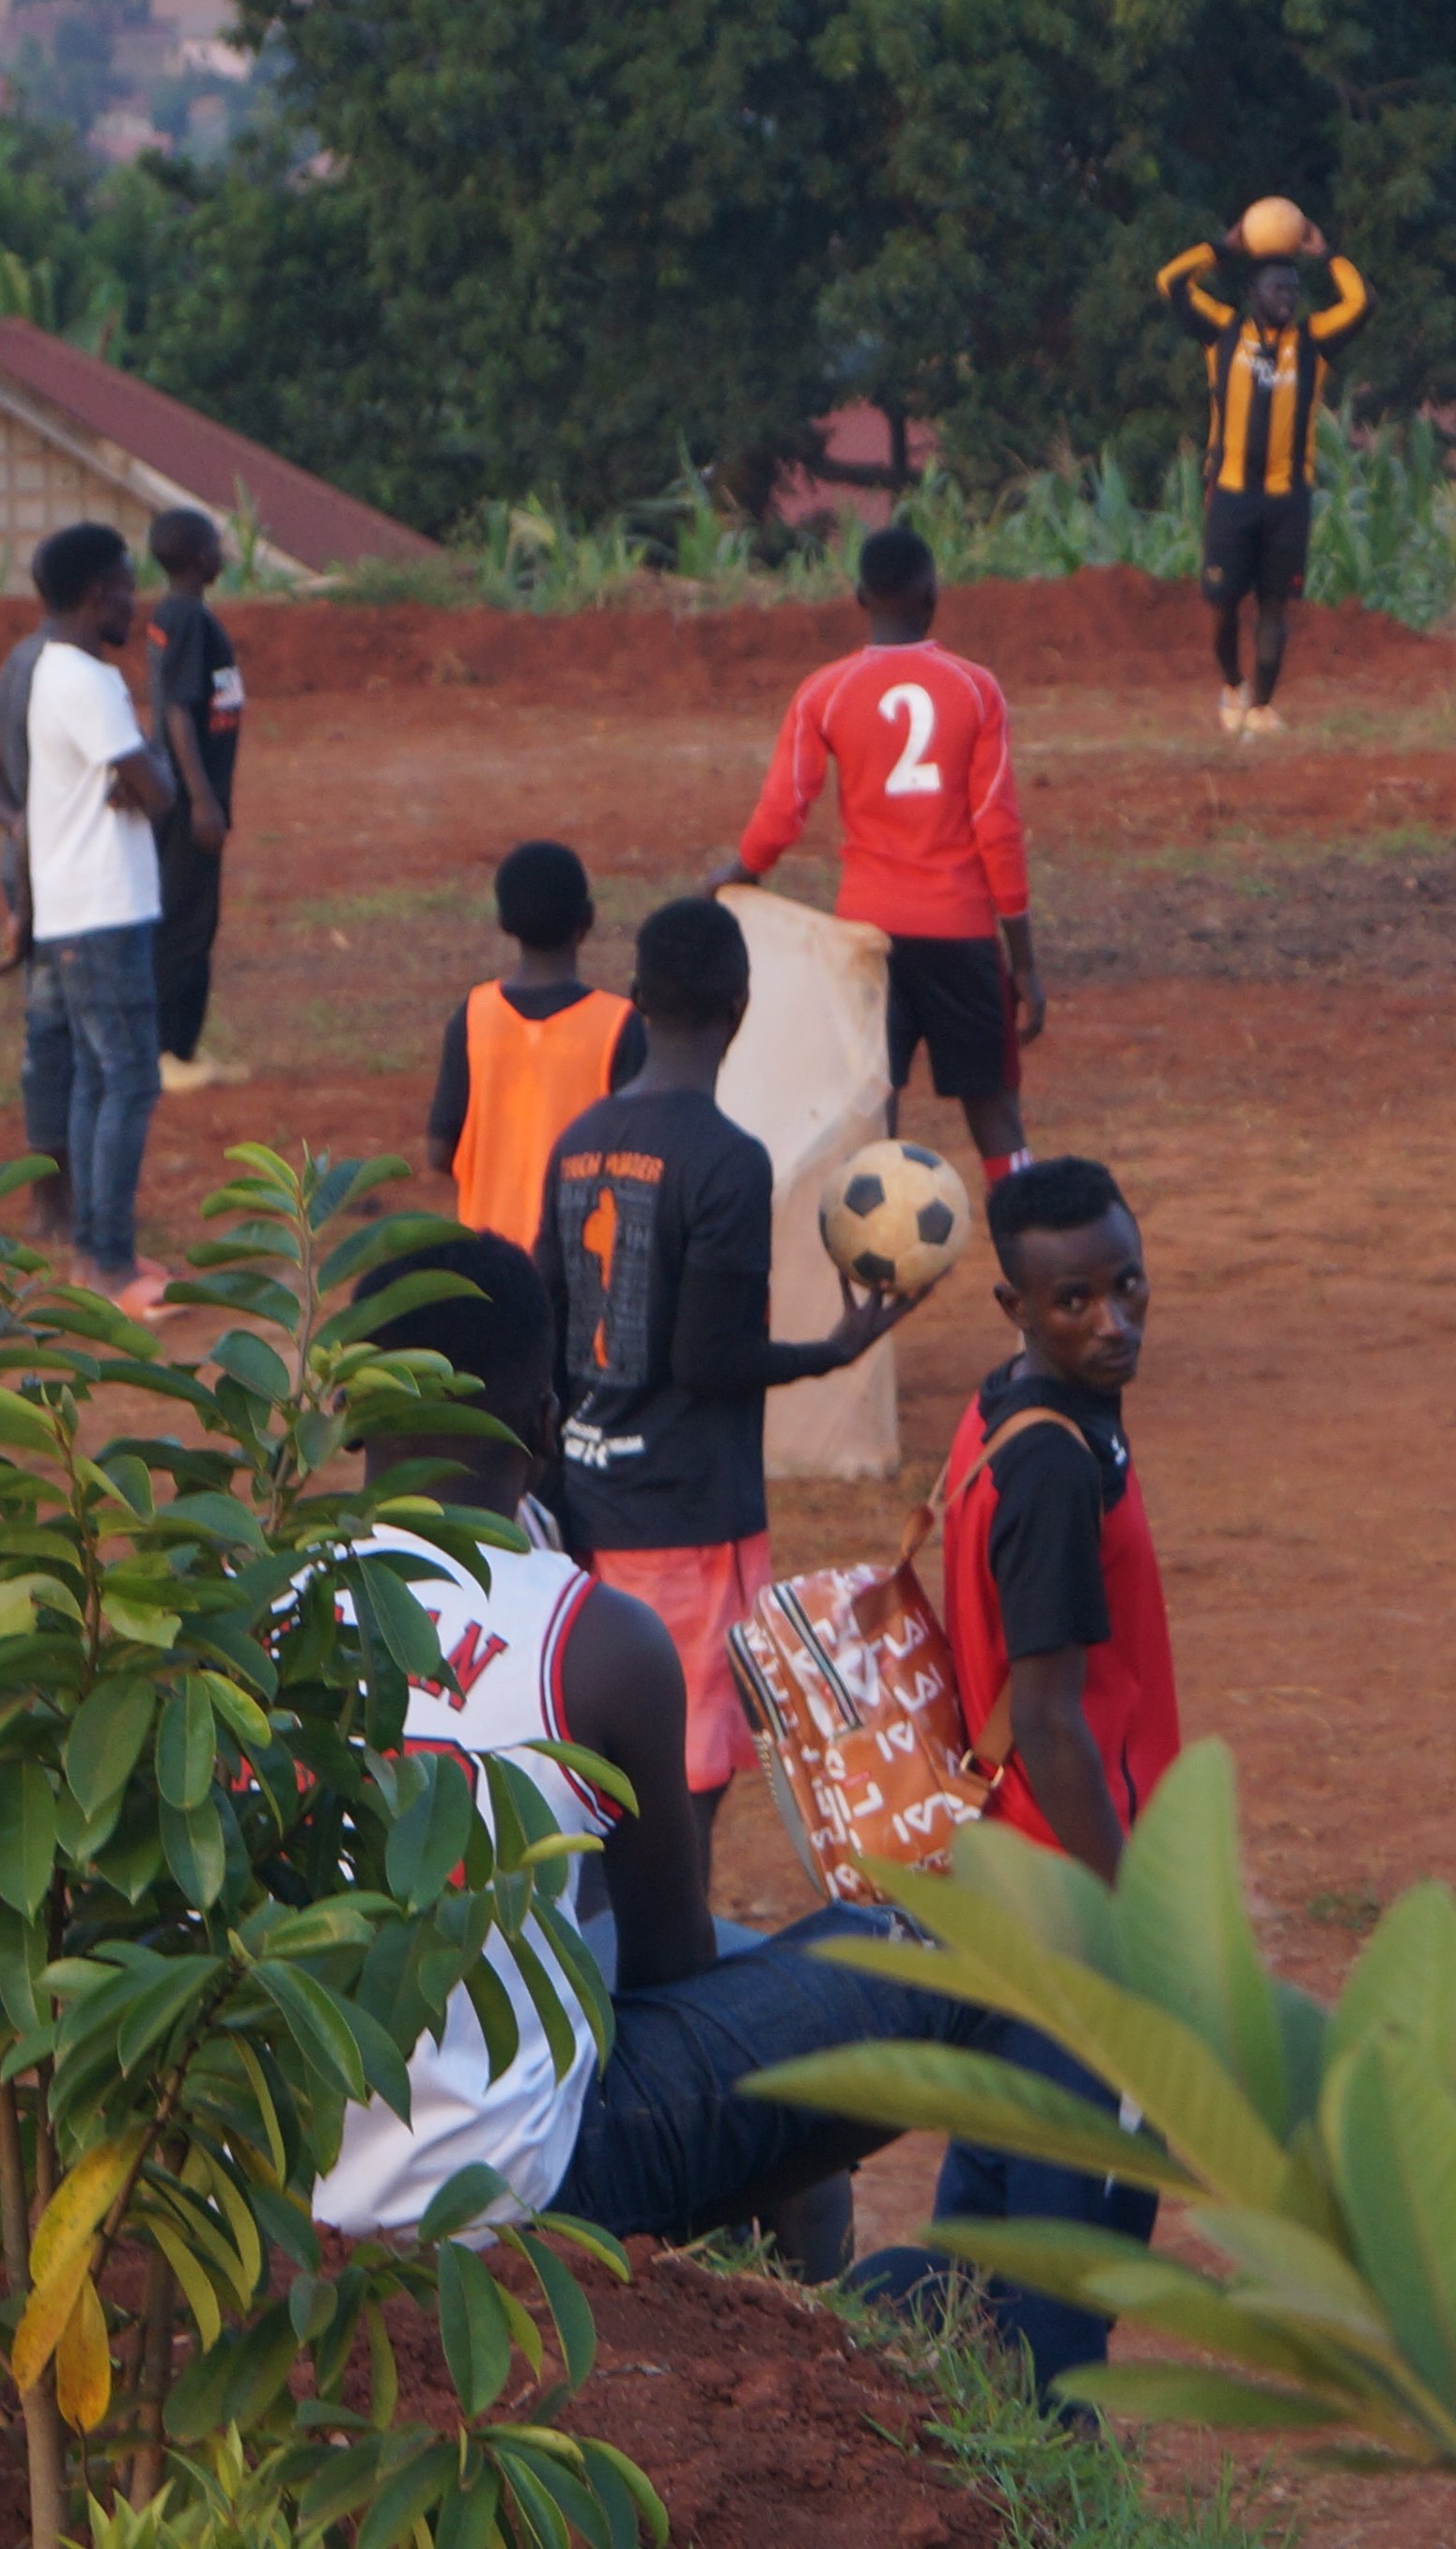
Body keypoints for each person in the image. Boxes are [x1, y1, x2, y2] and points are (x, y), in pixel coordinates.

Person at [311, 1233, 1006, 2253]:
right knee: (949, 1948)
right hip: (515, 2196)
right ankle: (826, 2314)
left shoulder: (255, 1615)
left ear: (350, 1417)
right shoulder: (593, 1640)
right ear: (545, 1423)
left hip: (293, 2196)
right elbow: (668, 1962)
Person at [845, 1156, 1176, 2393]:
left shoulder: (1007, 1410)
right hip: (1064, 1918)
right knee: (1063, 2310)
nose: (1115, 1323)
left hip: (1002, 1889)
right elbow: (1049, 1719)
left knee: (980, 2250)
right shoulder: (1051, 1463)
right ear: (1015, 1310)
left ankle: (824, 2345)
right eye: (1075, 1302)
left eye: (1129, 1288)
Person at [532, 897, 912, 1831]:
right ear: (739, 1007)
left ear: (634, 1001)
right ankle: (667, 1964)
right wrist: (830, 1352)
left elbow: (549, 1320)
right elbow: (707, 1360)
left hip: (589, 1512)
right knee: (683, 1786)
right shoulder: (727, 1161)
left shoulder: (578, 1142)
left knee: (599, 1770)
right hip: (689, 1515)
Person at [701, 526, 1043, 1173]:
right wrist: (1022, 960)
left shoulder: (822, 693)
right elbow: (996, 827)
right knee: (995, 1111)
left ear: (859, 596)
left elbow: (784, 811)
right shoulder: (975, 689)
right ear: (932, 593)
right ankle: (1029, 1264)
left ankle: (872, 1274)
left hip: (864, 935)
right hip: (960, 932)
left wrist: (743, 869)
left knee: (871, 1112)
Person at [20, 521, 179, 1316]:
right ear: (94, 596)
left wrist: (144, 771)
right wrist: (155, 772)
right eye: (124, 586)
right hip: (105, 909)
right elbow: (157, 793)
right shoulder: (88, 679)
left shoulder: (56, 669)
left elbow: (138, 781)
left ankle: (94, 1254)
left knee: (95, 1080)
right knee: (127, 1081)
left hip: (76, 909)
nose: (133, 600)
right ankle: (112, 1268)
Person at [1154, 210, 1368, 737]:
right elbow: (1170, 282)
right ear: (1254, 292)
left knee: (1275, 604)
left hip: (1287, 499)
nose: (1288, 298)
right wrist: (1222, 249)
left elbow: (1360, 304)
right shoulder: (1222, 333)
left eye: (1294, 290)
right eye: (1277, 288)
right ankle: (1232, 685)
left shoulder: (1313, 343)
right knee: (1224, 607)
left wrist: (1327, 254)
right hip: (1230, 495)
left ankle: (1264, 707)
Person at [430, 842, 649, 1251]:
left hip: (491, 1269)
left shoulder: (475, 1015)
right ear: (588, 919)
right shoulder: (619, 1023)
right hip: (586, 1272)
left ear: (502, 921)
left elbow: (440, 1151)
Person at [0, 598, 71, 1249]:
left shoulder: (19, 661)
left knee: (48, 1042)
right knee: (68, 1043)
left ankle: (53, 1204)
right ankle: (63, 1207)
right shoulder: (65, 674)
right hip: (61, 883)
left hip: (31, 869)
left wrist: (15, 823)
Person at [146, 506, 249, 1095]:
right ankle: (163, 1054)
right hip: (189, 804)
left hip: (193, 799)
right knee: (182, 923)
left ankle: (183, 1047)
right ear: (196, 558)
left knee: (196, 921)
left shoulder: (184, 616)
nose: (222, 552)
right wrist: (203, 800)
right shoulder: (185, 619)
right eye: (214, 543)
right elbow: (179, 713)